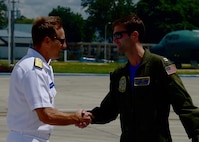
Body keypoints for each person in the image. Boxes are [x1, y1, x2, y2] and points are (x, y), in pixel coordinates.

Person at [83, 14, 199, 142]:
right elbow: (109, 109)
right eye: (114, 36)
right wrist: (90, 116)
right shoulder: (120, 74)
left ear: (134, 35)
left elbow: (184, 104)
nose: (115, 40)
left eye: (118, 35)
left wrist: (196, 134)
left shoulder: (160, 65)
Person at [6, 16, 91, 142]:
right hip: (27, 138)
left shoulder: (41, 67)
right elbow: (46, 115)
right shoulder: (33, 69)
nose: (64, 46)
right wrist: (75, 117)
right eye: (61, 41)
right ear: (47, 41)